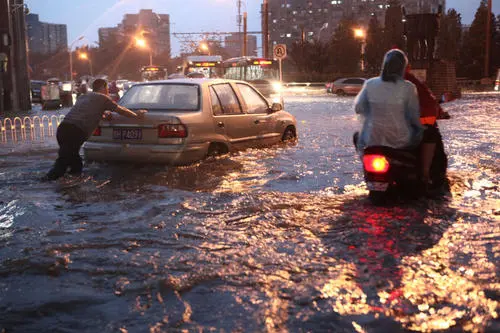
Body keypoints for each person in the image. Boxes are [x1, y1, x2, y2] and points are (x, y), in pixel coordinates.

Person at [44, 79, 147, 181]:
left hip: (63, 129)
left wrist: (102, 115)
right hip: (75, 132)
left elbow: (86, 113)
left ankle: (69, 186)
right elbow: (121, 110)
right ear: (102, 87)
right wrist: (136, 115)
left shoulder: (84, 96)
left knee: (74, 162)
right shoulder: (103, 98)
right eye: (107, 88)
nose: (108, 91)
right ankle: (47, 182)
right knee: (63, 162)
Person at [354, 49, 423, 153]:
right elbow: (413, 115)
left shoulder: (370, 84)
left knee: (357, 137)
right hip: (400, 141)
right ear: (403, 67)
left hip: (372, 139)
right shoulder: (408, 87)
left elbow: (358, 108)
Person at [404, 66, 446, 186]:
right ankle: (425, 174)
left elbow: (360, 108)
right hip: (406, 130)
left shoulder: (374, 84)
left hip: (379, 134)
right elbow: (430, 103)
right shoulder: (410, 83)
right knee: (431, 133)